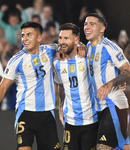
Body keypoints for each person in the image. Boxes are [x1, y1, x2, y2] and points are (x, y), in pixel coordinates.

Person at [0, 21, 61, 150]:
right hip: (25, 113)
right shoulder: (17, 60)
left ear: (39, 38)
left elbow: (68, 45)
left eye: (29, 35)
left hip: (47, 113)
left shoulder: (50, 50)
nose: (24, 38)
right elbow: (3, 87)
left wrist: (81, 46)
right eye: (23, 35)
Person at [84, 13, 130, 150]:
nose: (87, 27)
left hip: (113, 103)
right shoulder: (87, 47)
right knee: (122, 146)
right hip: (98, 106)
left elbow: (129, 71)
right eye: (85, 24)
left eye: (92, 24)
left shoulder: (109, 47)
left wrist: (110, 83)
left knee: (102, 147)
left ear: (102, 29)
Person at [53, 22, 98, 150]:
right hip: (70, 122)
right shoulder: (57, 63)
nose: (62, 41)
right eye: (60, 38)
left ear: (77, 39)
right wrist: (61, 107)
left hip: (90, 120)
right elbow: (61, 85)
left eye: (66, 38)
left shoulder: (87, 57)